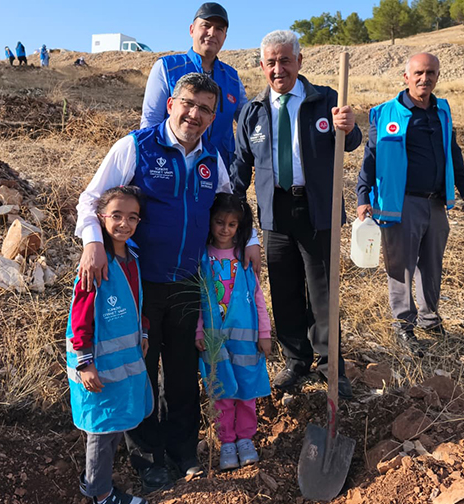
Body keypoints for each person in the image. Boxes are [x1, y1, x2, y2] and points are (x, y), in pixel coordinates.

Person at [75, 72, 261, 492]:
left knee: (180, 373)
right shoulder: (135, 146)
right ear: (171, 103)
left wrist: (249, 239)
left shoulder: (212, 160)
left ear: (214, 118)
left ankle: (183, 450)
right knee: (139, 370)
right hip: (136, 284)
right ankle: (147, 459)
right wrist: (92, 243)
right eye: (189, 104)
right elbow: (91, 200)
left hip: (187, 284)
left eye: (205, 109)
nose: (194, 115)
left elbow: (230, 205)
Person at [230, 30, 361, 398]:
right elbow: (241, 167)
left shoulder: (325, 100)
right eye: (271, 62)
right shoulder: (251, 112)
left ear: (299, 61)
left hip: (318, 209)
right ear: (262, 66)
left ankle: (329, 365)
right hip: (274, 212)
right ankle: (296, 361)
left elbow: (351, 142)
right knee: (285, 291)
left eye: (285, 60)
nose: (278, 69)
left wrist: (348, 128)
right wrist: (230, 213)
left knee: (323, 292)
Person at [356, 53, 464, 355]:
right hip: (401, 203)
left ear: (438, 75)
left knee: (432, 265)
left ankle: (429, 317)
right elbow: (370, 157)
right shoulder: (385, 113)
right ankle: (403, 325)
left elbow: (454, 151)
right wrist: (362, 196)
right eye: (419, 73)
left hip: (435, 203)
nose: (425, 79)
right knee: (401, 266)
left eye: (431, 73)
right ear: (406, 77)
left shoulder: (442, 110)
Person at [67, 185, 152, 504]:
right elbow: (81, 314)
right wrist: (84, 362)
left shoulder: (132, 255)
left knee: (113, 424)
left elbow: (136, 301)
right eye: (116, 215)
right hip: (96, 363)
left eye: (132, 217)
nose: (124, 223)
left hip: (122, 363)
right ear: (100, 217)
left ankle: (94, 482)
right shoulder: (96, 262)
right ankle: (101, 494)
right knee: (101, 431)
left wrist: (143, 332)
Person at [194, 194, 271, 471]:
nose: (225, 229)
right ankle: (226, 441)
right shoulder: (202, 258)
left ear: (241, 228)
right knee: (221, 389)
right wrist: (199, 330)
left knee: (246, 389)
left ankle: (245, 439)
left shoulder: (244, 260)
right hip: (215, 340)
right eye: (219, 222)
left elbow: (258, 298)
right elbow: (198, 301)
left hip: (247, 341)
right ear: (210, 222)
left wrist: (265, 333)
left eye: (232, 224)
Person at [140, 3, 246, 168]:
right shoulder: (167, 67)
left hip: (219, 172)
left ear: (225, 37)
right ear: (191, 30)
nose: (212, 33)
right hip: (172, 169)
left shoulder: (232, 78)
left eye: (219, 29)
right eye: (206, 25)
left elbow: (248, 122)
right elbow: (150, 120)